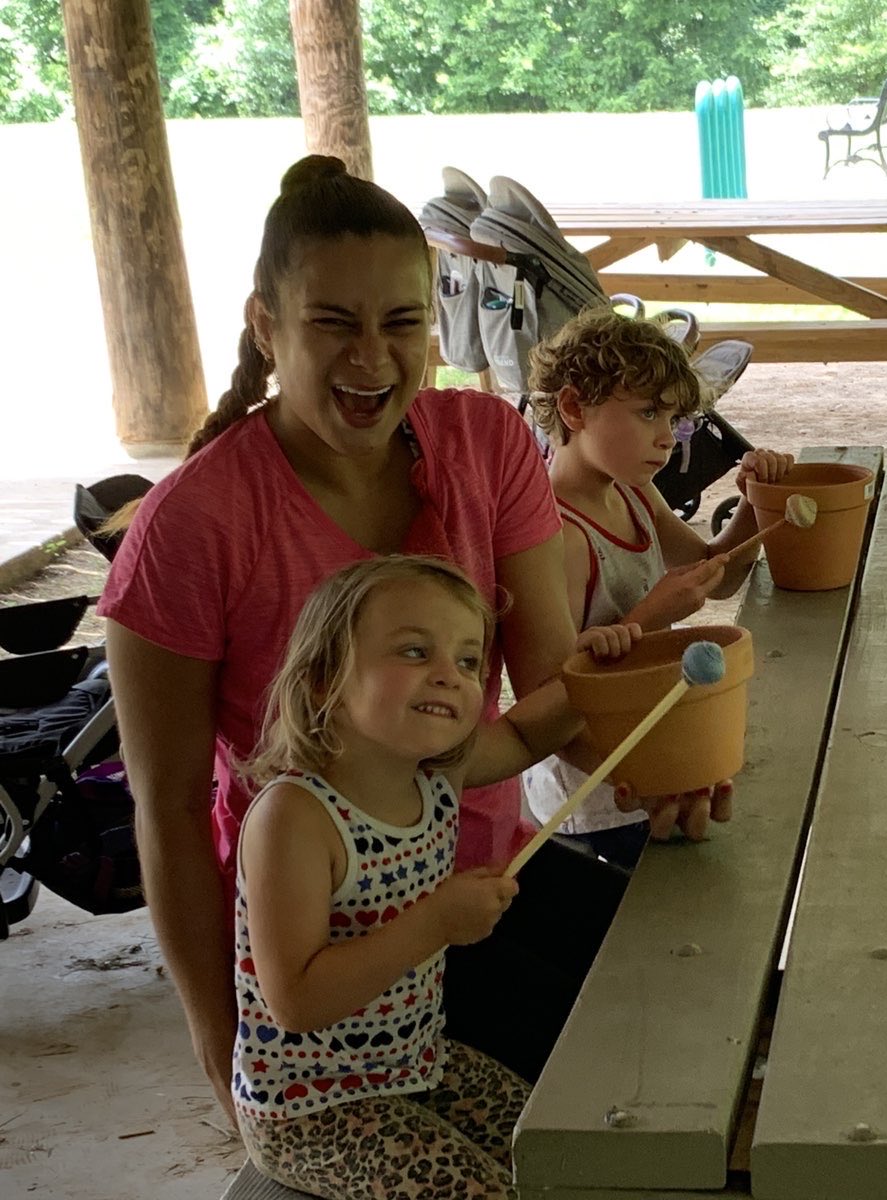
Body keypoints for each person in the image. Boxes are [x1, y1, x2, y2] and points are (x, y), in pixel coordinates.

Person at [100, 154, 718, 1114]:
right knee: (611, 1091)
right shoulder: (190, 525)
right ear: (265, 326)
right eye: (332, 324)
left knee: (694, 995)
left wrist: (660, 772)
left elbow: (554, 691)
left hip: (488, 872)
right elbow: (171, 808)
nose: (372, 359)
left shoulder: (486, 445)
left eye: (401, 323)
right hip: (332, 937)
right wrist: (222, 1045)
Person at [232, 554, 636, 1198]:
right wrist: (434, 924)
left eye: (469, 661)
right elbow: (296, 1002)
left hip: (420, 1064)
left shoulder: (434, 777)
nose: (450, 675)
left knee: (575, 1161)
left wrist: (592, 672)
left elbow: (525, 736)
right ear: (322, 679)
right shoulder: (295, 817)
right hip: (312, 1108)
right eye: (415, 652)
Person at [522, 309, 794, 869]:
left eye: (673, 417)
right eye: (648, 412)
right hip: (595, 800)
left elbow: (718, 573)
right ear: (573, 408)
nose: (667, 438)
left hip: (653, 762)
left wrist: (753, 500)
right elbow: (556, 699)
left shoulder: (632, 492)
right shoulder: (560, 536)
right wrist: (648, 615)